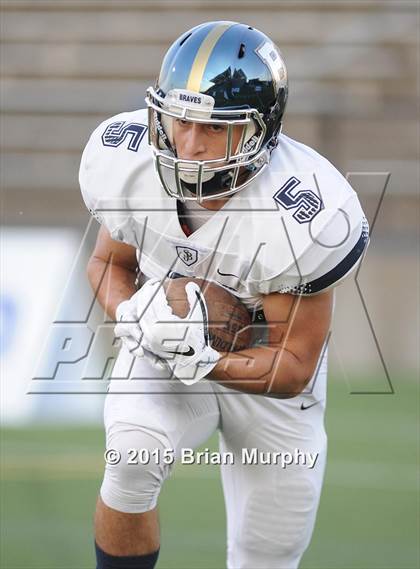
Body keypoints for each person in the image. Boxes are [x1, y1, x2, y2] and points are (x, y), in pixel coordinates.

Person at [79, 21, 369, 569]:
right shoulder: (129, 162)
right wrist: (137, 315)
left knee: (269, 553)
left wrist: (206, 357)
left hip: (264, 375)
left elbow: (294, 364)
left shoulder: (306, 209)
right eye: (180, 120)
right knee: (130, 458)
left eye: (214, 128)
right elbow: (106, 264)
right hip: (164, 348)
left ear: (260, 132)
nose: (189, 145)